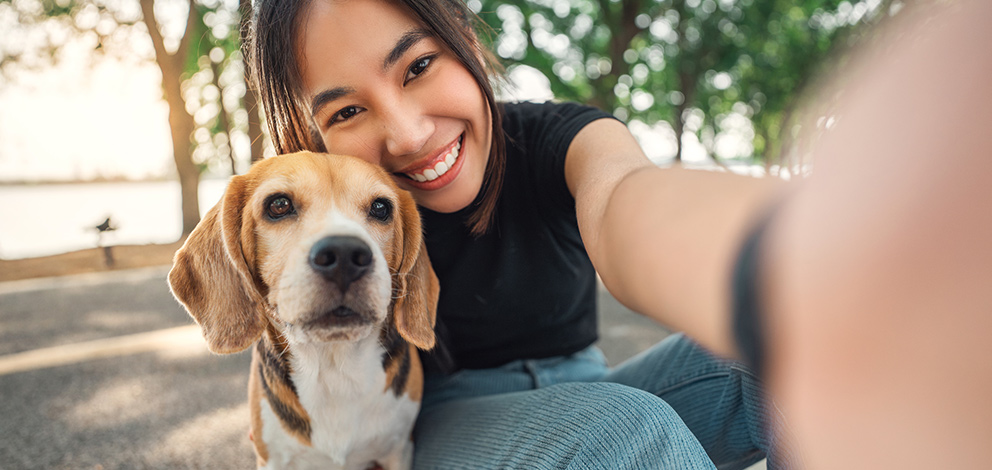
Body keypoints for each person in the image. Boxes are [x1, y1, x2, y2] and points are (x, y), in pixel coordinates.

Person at [247, 0, 786, 468]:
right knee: (621, 431)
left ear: (466, 39)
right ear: (308, 133)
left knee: (787, 346)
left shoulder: (564, 137)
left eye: (419, 66)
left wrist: (786, 255)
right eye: (347, 110)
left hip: (592, 386)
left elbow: (624, 198)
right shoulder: (335, 227)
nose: (409, 136)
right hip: (443, 424)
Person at [595, 1, 992, 468]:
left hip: (584, 374)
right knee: (626, 426)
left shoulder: (554, 132)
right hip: (488, 411)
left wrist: (806, 267)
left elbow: (616, 202)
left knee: (778, 349)